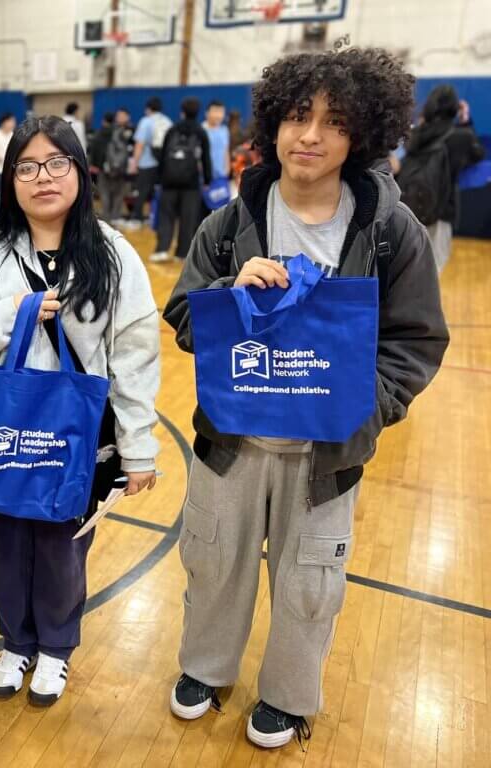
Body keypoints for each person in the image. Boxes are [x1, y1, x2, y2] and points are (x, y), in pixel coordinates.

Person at [162, 48, 448, 750]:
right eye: (297, 116)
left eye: (333, 121)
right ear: (273, 124)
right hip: (232, 443)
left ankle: (289, 696)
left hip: (327, 452)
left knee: (310, 577)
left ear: (362, 136)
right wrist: (229, 296)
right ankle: (205, 666)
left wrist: (362, 405)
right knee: (213, 557)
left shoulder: (387, 231)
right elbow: (185, 317)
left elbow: (416, 340)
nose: (310, 135)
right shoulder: (228, 226)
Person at [0, 115, 161, 707]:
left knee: (63, 543)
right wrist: (7, 314)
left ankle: (56, 649)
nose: (43, 178)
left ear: (81, 172)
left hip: (78, 433)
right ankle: (15, 642)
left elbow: (135, 356)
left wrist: (138, 448)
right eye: (27, 166)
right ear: (9, 179)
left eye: (57, 163)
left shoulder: (112, 255)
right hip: (3, 427)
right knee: (5, 538)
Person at [403, 85, 485, 273]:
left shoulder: (417, 134)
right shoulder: (460, 136)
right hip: (440, 210)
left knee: (410, 266)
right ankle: (425, 303)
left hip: (409, 206)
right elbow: (477, 154)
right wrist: (465, 121)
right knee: (435, 268)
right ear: (455, 108)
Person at [151, 97, 213, 263]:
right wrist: (207, 180)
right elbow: (206, 158)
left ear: (182, 112)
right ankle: (182, 253)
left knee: (166, 216)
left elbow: (163, 156)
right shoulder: (201, 132)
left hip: (168, 181)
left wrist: (159, 179)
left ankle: (162, 250)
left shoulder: (172, 130)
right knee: (188, 218)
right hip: (191, 183)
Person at [131, 97, 172, 226]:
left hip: (146, 163)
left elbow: (139, 144)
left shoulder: (146, 121)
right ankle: (155, 217)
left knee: (141, 192)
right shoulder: (167, 121)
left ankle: (137, 218)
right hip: (163, 164)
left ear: (148, 109)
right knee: (158, 192)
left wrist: (134, 163)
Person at [100, 106, 133, 226]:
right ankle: (106, 220)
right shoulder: (111, 130)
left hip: (122, 168)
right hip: (108, 167)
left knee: (119, 194)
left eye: (122, 115)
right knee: (106, 193)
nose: (119, 118)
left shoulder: (131, 130)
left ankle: (114, 218)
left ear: (127, 116)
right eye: (118, 116)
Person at [203, 100, 231, 181]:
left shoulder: (224, 130)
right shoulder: (202, 130)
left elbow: (226, 151)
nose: (218, 115)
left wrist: (227, 170)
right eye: (215, 112)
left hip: (222, 176)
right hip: (206, 178)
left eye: (221, 112)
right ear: (207, 113)